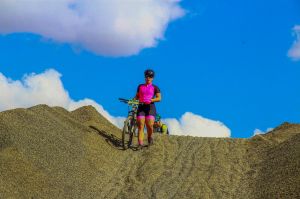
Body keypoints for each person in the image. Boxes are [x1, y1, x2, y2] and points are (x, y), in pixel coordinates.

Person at [134, 69, 161, 147]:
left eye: (150, 76)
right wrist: (132, 100)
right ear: (145, 77)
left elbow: (159, 98)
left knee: (149, 125)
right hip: (141, 106)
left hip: (150, 107)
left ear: (153, 78)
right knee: (141, 125)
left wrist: (151, 100)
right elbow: (136, 96)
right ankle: (140, 143)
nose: (148, 78)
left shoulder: (155, 87)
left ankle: (149, 137)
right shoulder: (140, 86)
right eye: (147, 76)